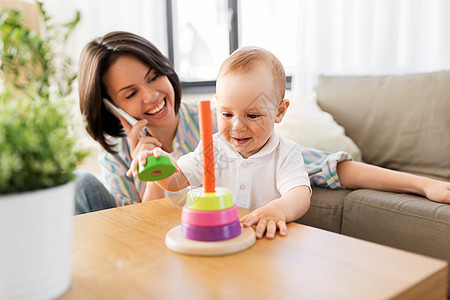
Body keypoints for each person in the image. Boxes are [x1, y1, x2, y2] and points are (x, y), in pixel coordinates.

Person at [76, 31, 450, 217]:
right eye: (130, 93)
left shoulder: (212, 127)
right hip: (156, 246)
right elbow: (136, 232)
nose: (152, 96)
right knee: (82, 186)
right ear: (111, 107)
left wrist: (423, 184)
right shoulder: (119, 152)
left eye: (154, 75)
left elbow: (327, 166)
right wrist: (152, 168)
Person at [128, 47, 311, 239]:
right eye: (227, 114)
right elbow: (176, 180)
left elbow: (299, 194)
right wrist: (159, 163)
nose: (237, 126)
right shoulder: (212, 147)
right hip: (219, 238)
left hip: (265, 240)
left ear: (280, 112)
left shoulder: (285, 153)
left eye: (253, 115)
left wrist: (278, 210)